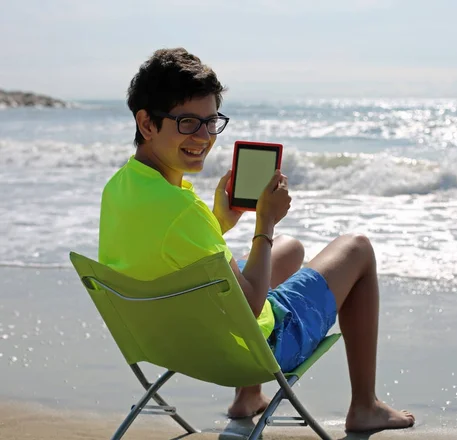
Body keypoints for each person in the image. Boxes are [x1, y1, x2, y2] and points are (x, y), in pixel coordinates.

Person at [98, 47, 415, 432]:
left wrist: (219, 221)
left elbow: (168, 256)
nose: (203, 137)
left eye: (211, 122)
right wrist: (265, 221)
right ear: (147, 124)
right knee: (357, 248)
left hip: (171, 344)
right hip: (246, 350)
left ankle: (248, 396)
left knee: (290, 250)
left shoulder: (120, 189)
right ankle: (365, 405)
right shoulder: (183, 212)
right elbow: (249, 305)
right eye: (186, 123)